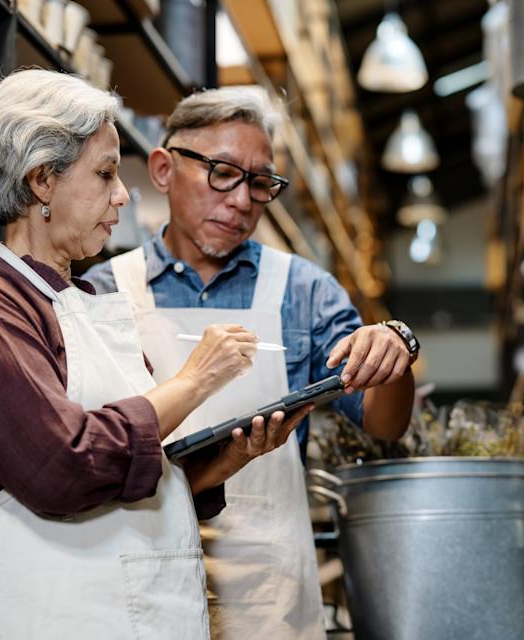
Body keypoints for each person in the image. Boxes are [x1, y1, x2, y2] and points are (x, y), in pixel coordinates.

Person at [0, 70, 311, 640]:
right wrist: (196, 381)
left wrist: (222, 464)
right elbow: (62, 464)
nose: (122, 195)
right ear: (42, 180)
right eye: (106, 173)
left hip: (125, 608)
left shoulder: (88, 300)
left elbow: (135, 465)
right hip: (45, 612)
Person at [84, 87, 418, 639]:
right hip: (140, 576)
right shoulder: (102, 292)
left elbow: (386, 424)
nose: (241, 200)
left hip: (267, 592)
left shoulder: (304, 291)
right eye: (222, 172)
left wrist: (395, 355)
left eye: (260, 183)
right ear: (164, 170)